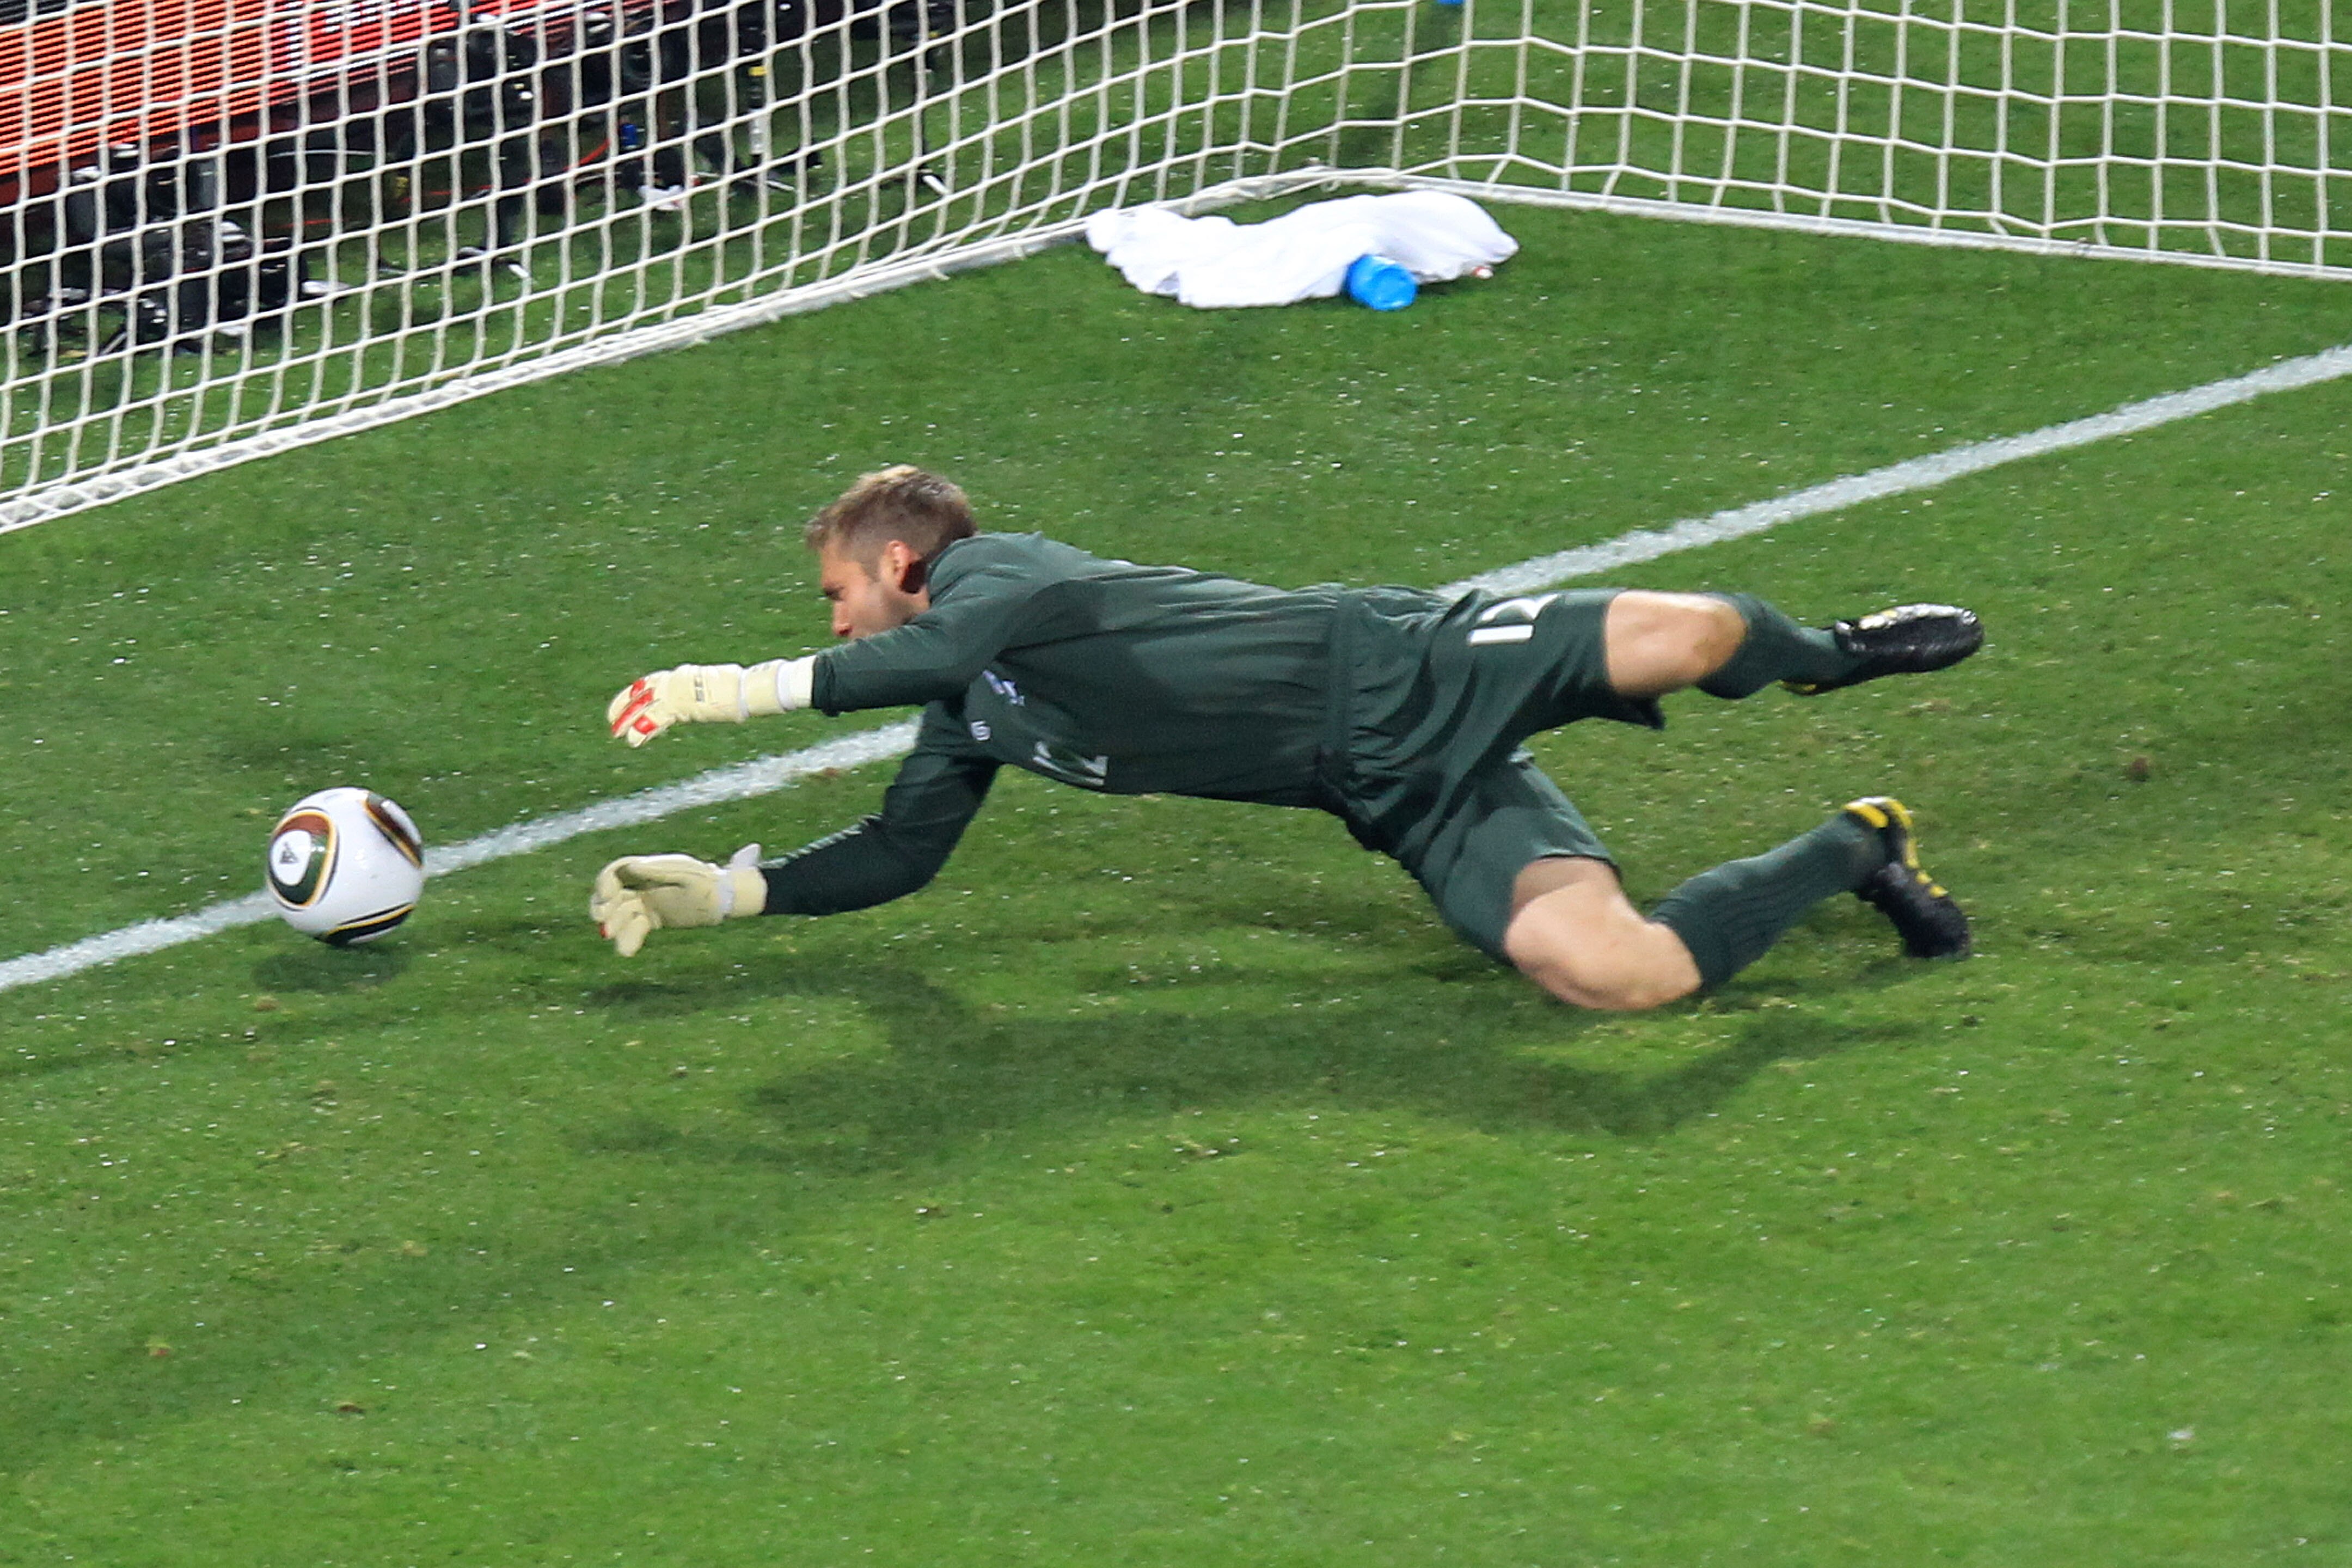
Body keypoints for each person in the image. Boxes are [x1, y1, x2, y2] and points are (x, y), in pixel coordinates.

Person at [592, 466, 1980, 1009]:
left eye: (838, 599)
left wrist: (727, 689)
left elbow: (931, 648)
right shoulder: (964, 706)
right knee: (1611, 976)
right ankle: (1860, 848)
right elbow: (903, 854)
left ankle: (1834, 656)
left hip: (1395, 657)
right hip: (1378, 783)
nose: (838, 632)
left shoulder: (991, 577)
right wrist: (731, 891)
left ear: (901, 565)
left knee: (1696, 631)